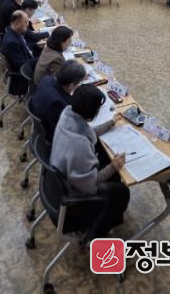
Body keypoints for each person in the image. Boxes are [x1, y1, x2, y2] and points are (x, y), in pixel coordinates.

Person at [51, 85, 130, 239]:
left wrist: (110, 123)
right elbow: (90, 186)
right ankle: (97, 232)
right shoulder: (80, 145)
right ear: (92, 113)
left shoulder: (67, 115)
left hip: (61, 181)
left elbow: (88, 132)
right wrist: (113, 166)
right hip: (75, 200)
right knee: (121, 192)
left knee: (106, 161)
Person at [30, 59, 86, 146]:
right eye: (78, 83)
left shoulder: (47, 79)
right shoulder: (59, 104)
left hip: (40, 121)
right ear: (71, 85)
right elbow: (69, 130)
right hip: (54, 138)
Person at [0, 10, 36, 94]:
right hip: (23, 76)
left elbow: (24, 46)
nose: (28, 24)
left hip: (26, 59)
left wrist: (36, 45)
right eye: (26, 22)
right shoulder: (12, 43)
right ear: (16, 23)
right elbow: (22, 65)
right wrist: (41, 58)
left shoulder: (13, 31)